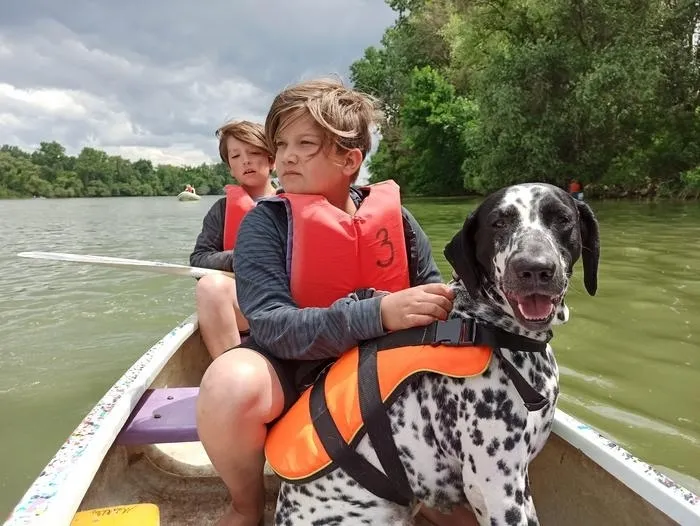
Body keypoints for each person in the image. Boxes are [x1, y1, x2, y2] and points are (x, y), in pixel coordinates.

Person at [196, 78, 477, 526]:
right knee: (228, 385)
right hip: (297, 367)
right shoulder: (265, 226)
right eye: (281, 143)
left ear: (350, 160)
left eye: (304, 143)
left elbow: (435, 301)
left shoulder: (397, 220)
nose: (285, 156)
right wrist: (378, 312)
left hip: (387, 372)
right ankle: (246, 505)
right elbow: (270, 327)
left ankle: (435, 487)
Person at [189, 120, 277, 360]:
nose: (245, 161)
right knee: (209, 286)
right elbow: (198, 259)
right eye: (236, 156)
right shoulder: (222, 210)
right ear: (230, 168)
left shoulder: (295, 201)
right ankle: (230, 372)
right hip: (246, 305)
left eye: (254, 152)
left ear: (272, 159)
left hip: (291, 304)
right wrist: (242, 259)